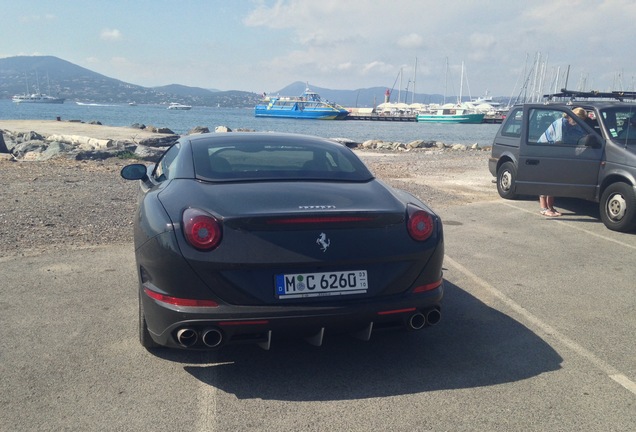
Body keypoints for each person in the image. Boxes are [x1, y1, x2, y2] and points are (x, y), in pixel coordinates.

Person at [538, 107, 588, 217]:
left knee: (554, 181)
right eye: (578, 119)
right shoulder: (560, 123)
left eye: (582, 121)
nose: (579, 122)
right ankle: (543, 208)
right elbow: (559, 142)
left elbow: (582, 136)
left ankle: (550, 207)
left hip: (557, 154)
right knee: (548, 180)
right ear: (572, 116)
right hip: (546, 152)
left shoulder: (574, 125)